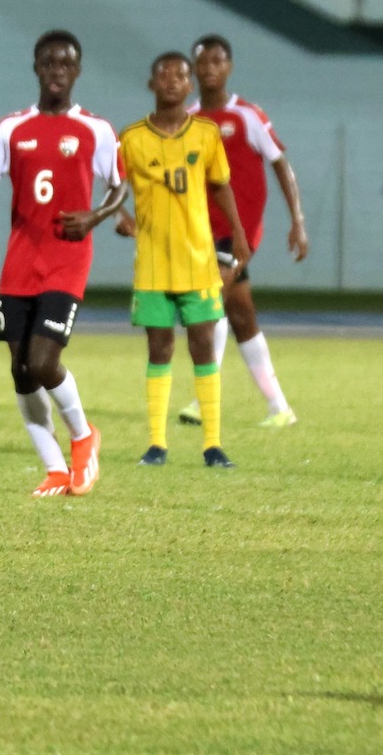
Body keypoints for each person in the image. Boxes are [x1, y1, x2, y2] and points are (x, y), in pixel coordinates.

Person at [0, 29, 126, 498]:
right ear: (36, 68)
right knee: (20, 371)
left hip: (67, 259)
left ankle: (84, 435)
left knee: (43, 360)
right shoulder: (12, 129)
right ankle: (54, 468)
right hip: (21, 259)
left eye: (65, 64)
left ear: (78, 71)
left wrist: (97, 216)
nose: (56, 72)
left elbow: (119, 184)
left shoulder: (96, 129)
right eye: (48, 63)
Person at [118, 51, 250, 468]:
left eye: (180, 75)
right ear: (151, 84)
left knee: (203, 347)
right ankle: (157, 444)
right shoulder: (133, 138)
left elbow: (221, 186)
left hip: (198, 261)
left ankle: (212, 444)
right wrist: (119, 217)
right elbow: (111, 185)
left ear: (189, 85)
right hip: (154, 264)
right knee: (159, 349)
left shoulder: (207, 134)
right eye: (164, 74)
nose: (172, 81)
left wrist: (240, 234)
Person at [172, 34, 309, 429]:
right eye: (203, 62)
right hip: (200, 234)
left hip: (239, 232)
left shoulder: (247, 116)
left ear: (229, 67)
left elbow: (280, 164)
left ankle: (204, 400)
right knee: (241, 317)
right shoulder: (189, 119)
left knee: (210, 304)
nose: (210, 69)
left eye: (217, 61)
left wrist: (297, 221)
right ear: (193, 70)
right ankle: (279, 408)